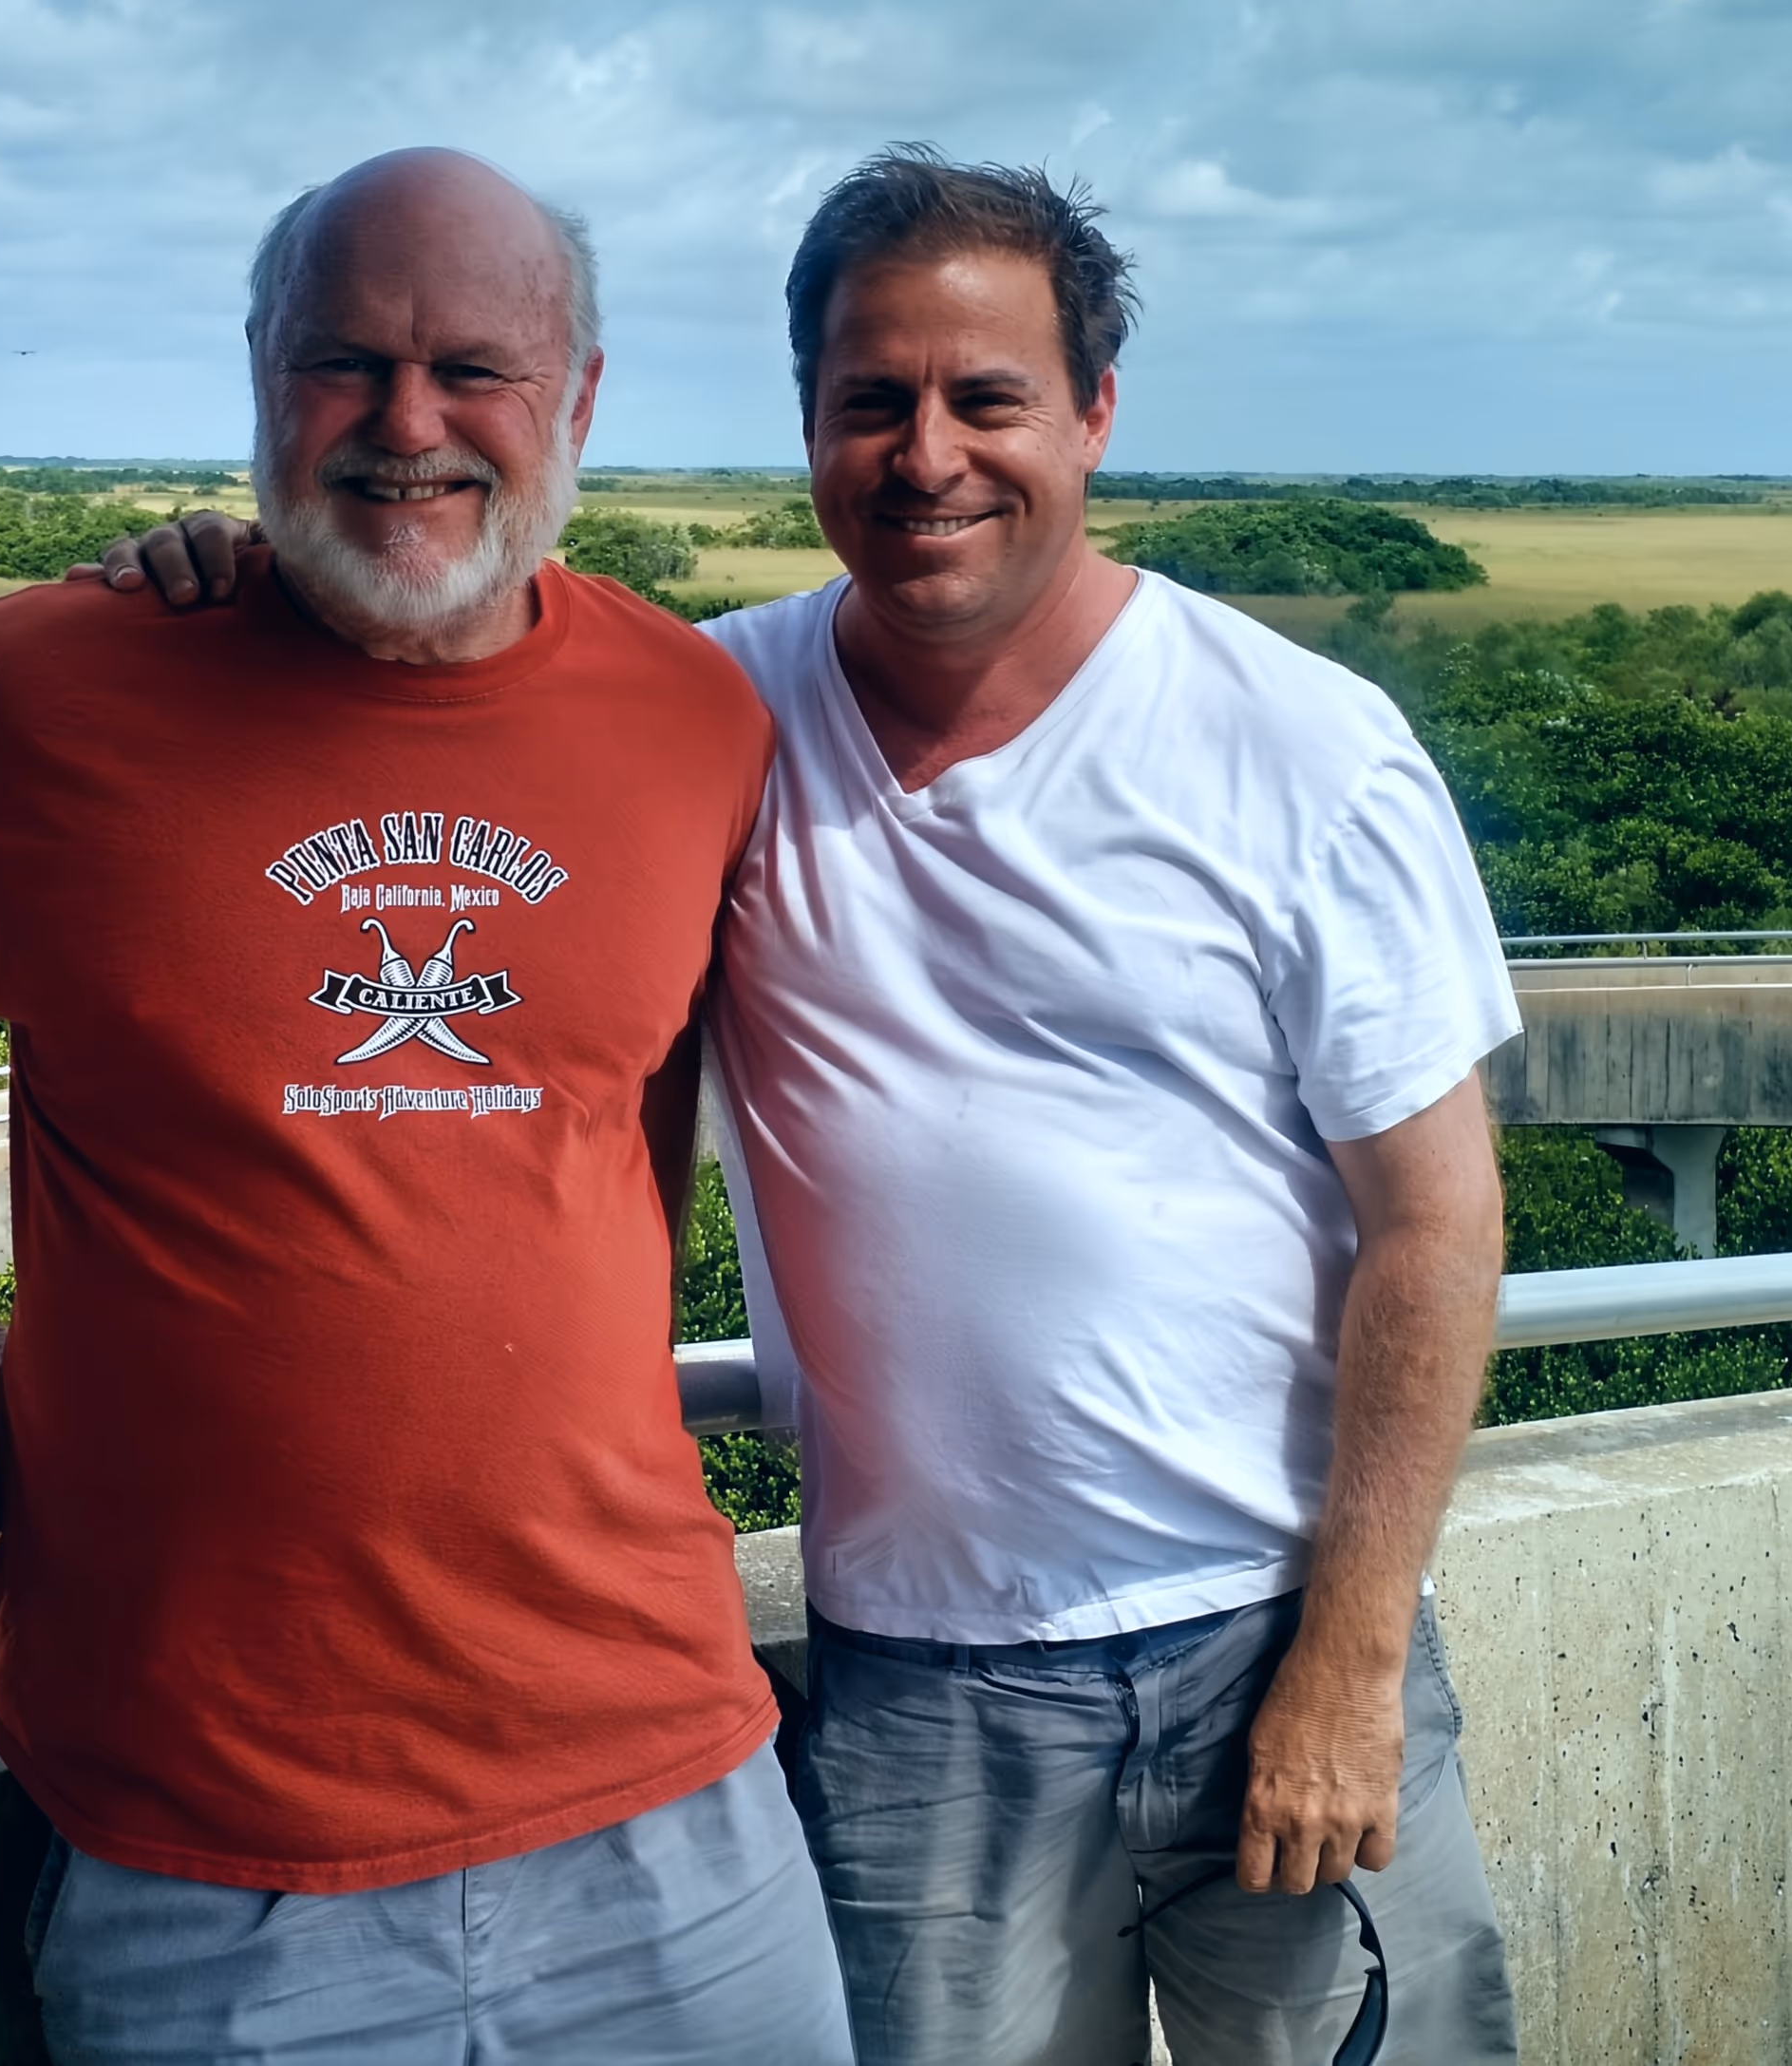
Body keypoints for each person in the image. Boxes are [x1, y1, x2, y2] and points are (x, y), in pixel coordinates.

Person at [93, 146, 1523, 2066]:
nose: (927, 453)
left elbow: (1434, 1222)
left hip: (1267, 1630)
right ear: (808, 426)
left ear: (1093, 413)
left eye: (987, 397)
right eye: (872, 402)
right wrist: (229, 581)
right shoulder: (705, 719)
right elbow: (433, 632)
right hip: (917, 1674)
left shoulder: (1300, 744)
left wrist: (1349, 1662)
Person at [0, 149, 852, 2066]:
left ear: (578, 400)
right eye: (343, 363)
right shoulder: (27, 692)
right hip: (209, 1846)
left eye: (475, 371)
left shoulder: (700, 721)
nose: (406, 424)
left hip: (666, 1788)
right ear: (261, 380)